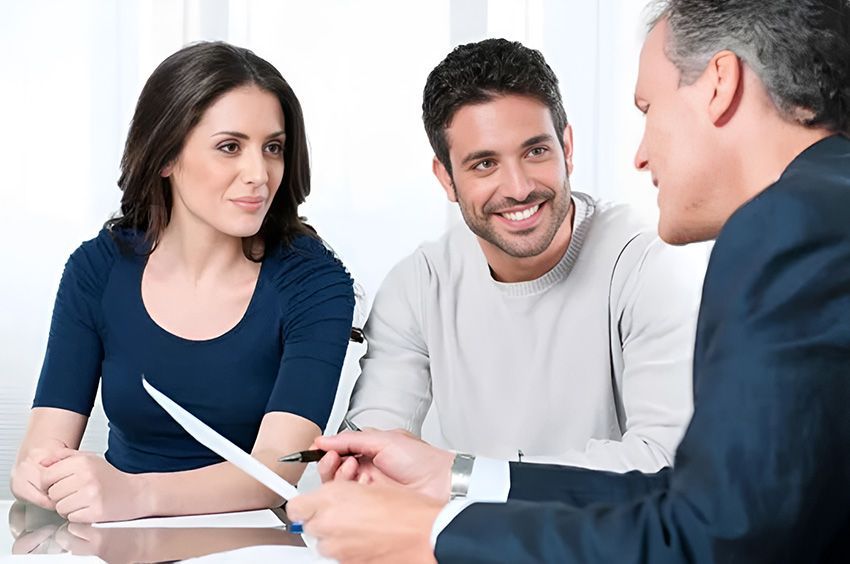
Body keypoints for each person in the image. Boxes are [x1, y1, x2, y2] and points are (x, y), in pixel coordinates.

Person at [287, 0, 850, 562]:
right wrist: (452, 476)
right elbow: (712, 506)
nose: (640, 154)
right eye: (483, 163)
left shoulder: (785, 227)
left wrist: (435, 533)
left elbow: (707, 532)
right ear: (447, 176)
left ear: (719, 84)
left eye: (648, 108)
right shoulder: (821, 208)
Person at [9, 41, 355, 524]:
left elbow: (276, 471)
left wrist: (137, 495)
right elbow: (46, 440)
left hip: (252, 541)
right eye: (230, 147)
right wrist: (38, 474)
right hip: (115, 534)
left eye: (272, 147)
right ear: (166, 156)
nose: (259, 174)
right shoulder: (97, 268)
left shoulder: (315, 282)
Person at [346, 38, 705, 471]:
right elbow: (369, 455)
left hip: (605, 537)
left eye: (535, 152)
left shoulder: (645, 264)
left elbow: (666, 458)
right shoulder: (419, 285)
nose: (518, 188)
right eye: (484, 164)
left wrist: (459, 476)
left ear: (567, 149)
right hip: (467, 535)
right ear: (446, 178)